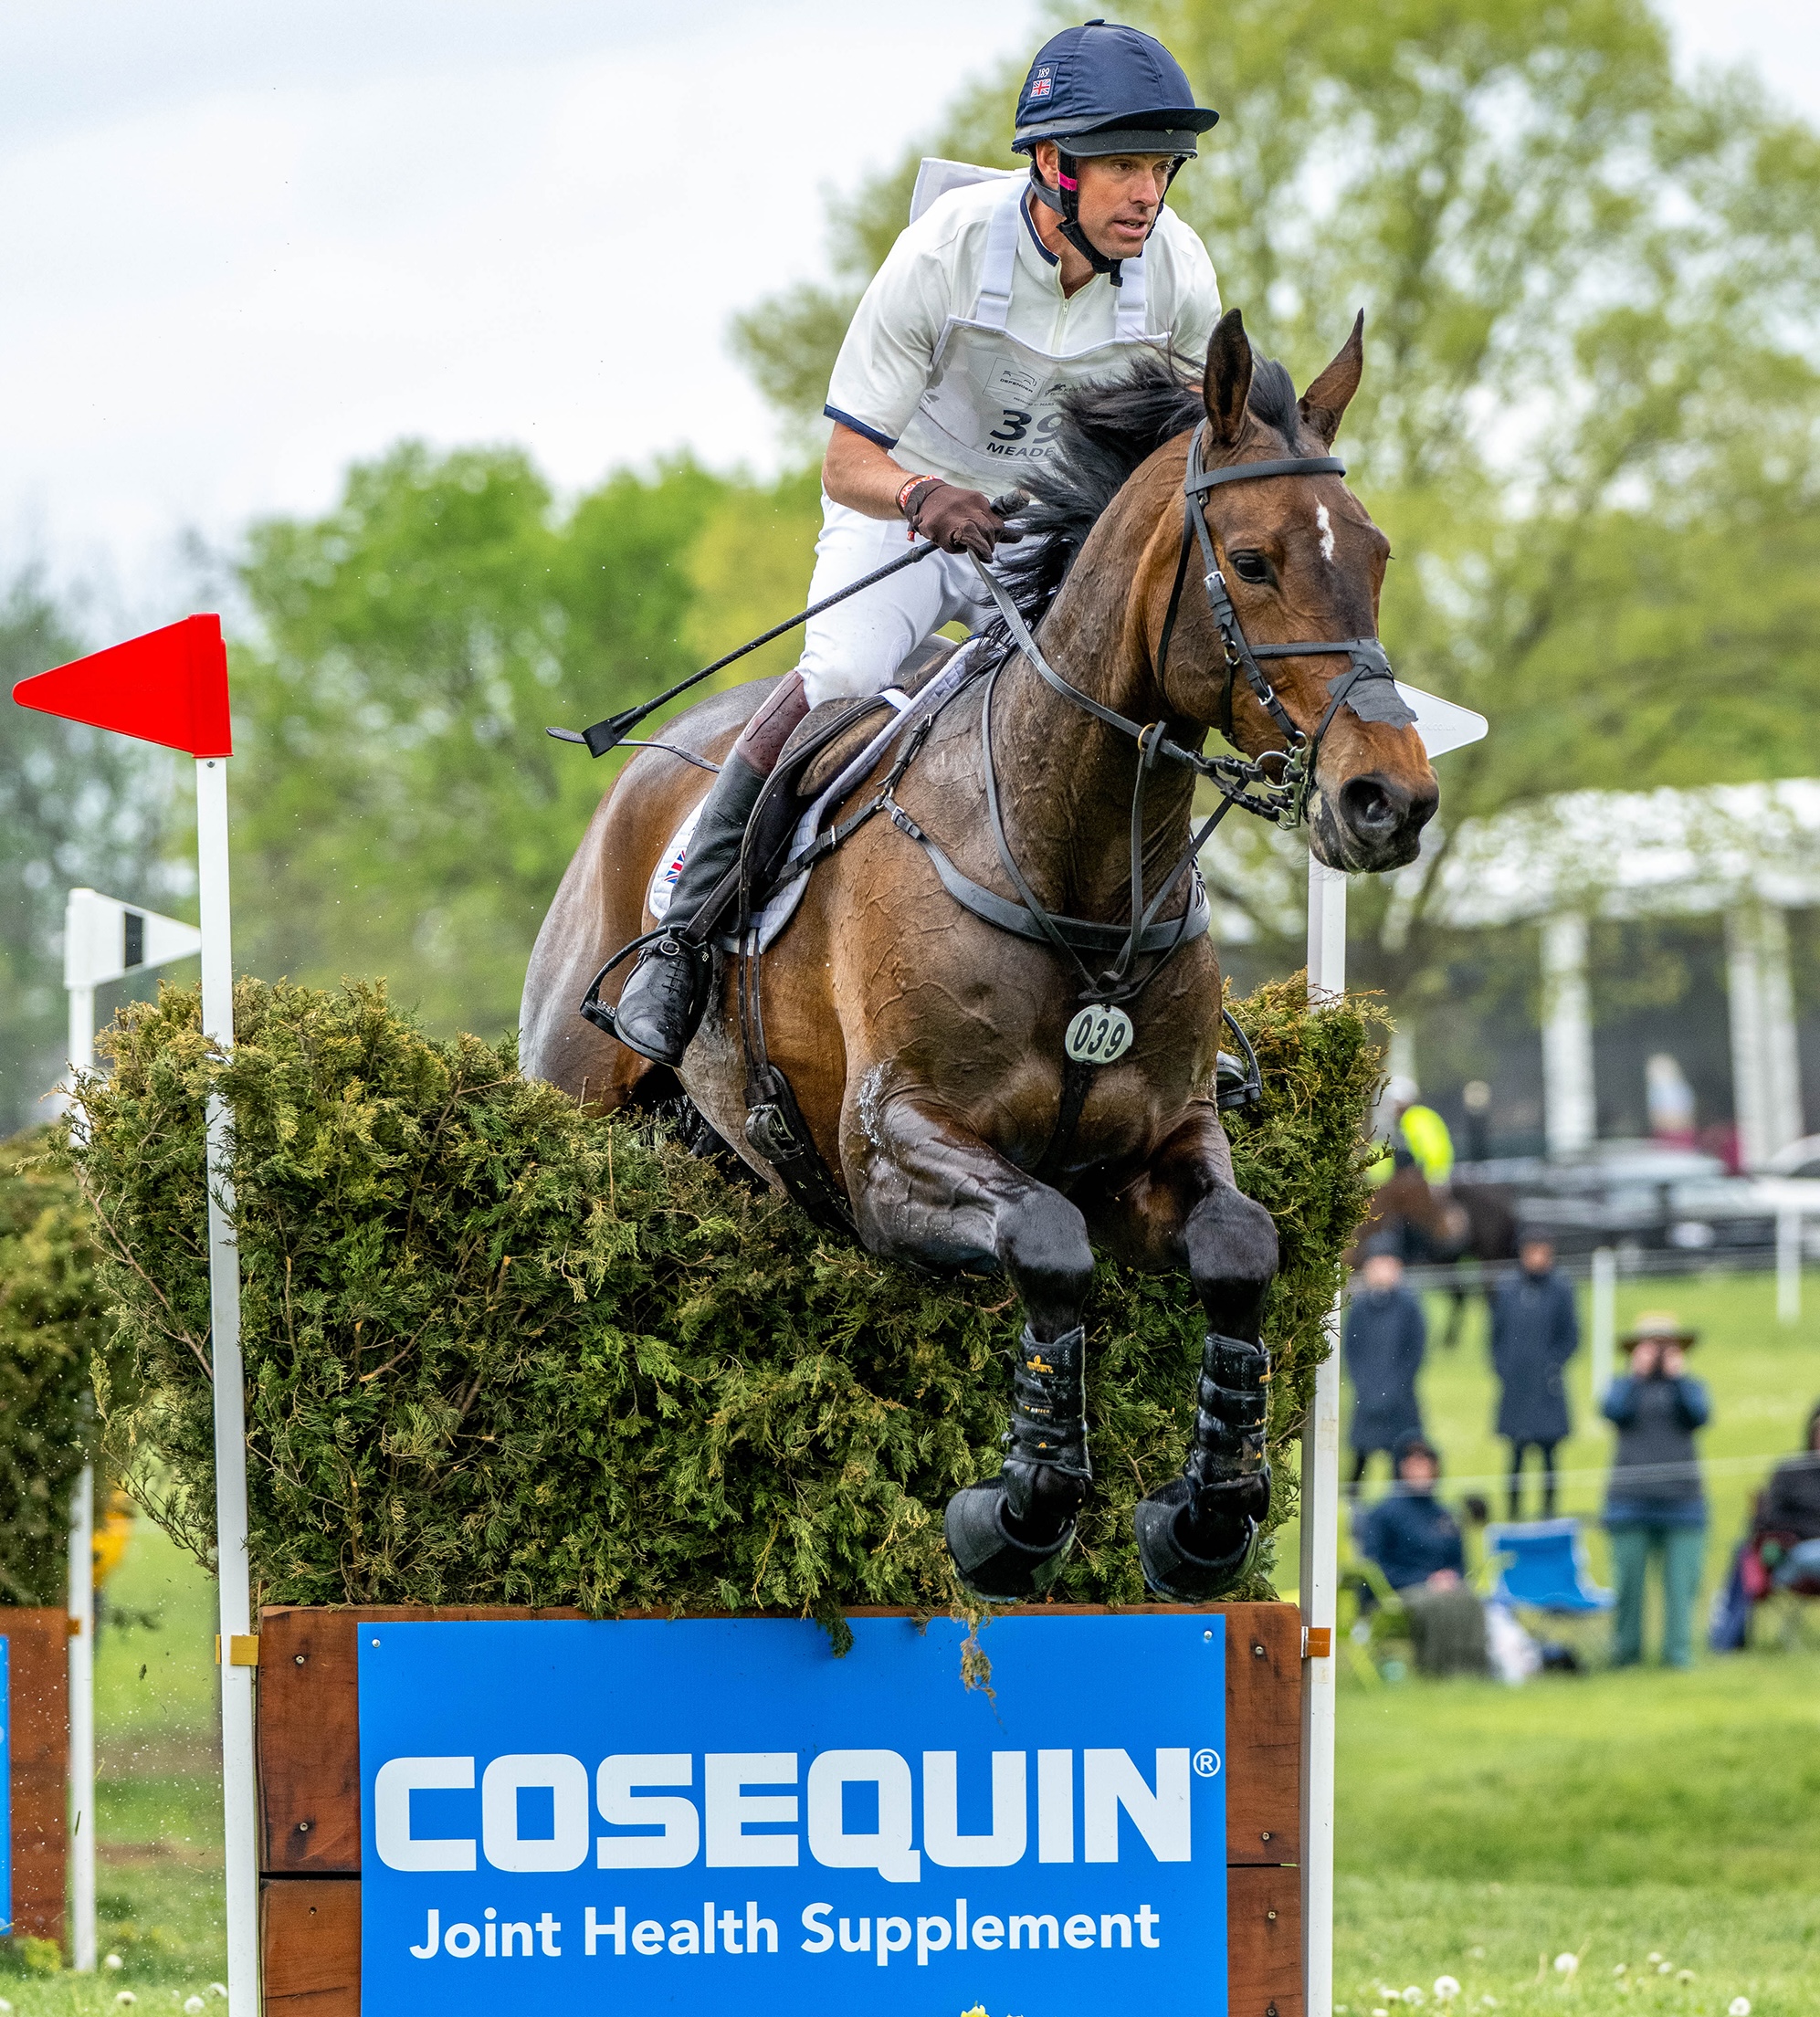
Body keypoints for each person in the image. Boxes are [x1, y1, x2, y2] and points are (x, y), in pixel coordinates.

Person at [610, 21, 1224, 1066]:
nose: (1146, 195)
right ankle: (685, 929)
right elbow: (844, 460)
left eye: (1159, 169)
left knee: (1115, 707)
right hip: (899, 511)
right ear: (1050, 166)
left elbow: (1201, 455)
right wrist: (922, 493)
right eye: (1123, 166)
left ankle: (1174, 998)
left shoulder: (1175, 273)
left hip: (1039, 534)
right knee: (845, 669)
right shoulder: (942, 252)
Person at [1603, 1311, 1710, 1669]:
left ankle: (1678, 1655)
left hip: (1683, 1503)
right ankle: (1625, 1654)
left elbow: (1700, 1415)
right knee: (1628, 1587)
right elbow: (1612, 1411)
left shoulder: (1690, 1387)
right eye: (1652, 1345)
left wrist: (1678, 1379)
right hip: (1630, 1503)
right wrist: (1637, 1376)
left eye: (1667, 1346)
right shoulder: (1623, 1387)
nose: (1660, 1353)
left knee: (1681, 1589)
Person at [1358, 1434, 1488, 1676]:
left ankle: (1474, 1672)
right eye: (1413, 1463)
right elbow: (1374, 1566)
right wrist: (1425, 1580)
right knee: (1436, 1603)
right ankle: (1437, 1671)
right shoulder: (1383, 1514)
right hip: (1398, 1590)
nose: (1420, 1470)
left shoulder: (1445, 1515)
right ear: (1400, 1468)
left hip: (1442, 1588)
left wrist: (1451, 1577)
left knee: (1470, 1599)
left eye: (1426, 1463)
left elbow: (1460, 1564)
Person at [1489, 1236, 1579, 1518]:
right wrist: (1504, 1369)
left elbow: (1571, 1336)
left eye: (1543, 1251)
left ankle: (1548, 1511)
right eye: (1532, 1251)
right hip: (1516, 1385)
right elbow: (1495, 1336)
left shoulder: (1561, 1289)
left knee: (1549, 1453)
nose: (1537, 1257)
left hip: (1547, 1386)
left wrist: (1553, 1366)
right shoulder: (1507, 1288)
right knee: (1515, 1453)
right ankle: (1513, 1512)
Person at [1343, 1244, 1427, 1495]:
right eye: (1376, 1265)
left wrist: (1396, 1387)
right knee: (1360, 1455)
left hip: (1400, 1398)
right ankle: (1352, 1502)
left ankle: (1397, 1499)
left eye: (1387, 1265)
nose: (1381, 1272)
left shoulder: (1410, 1306)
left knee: (1399, 1454)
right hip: (1366, 1395)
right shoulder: (1358, 1308)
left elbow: (1415, 1351)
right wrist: (1365, 1386)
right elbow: (1351, 1351)